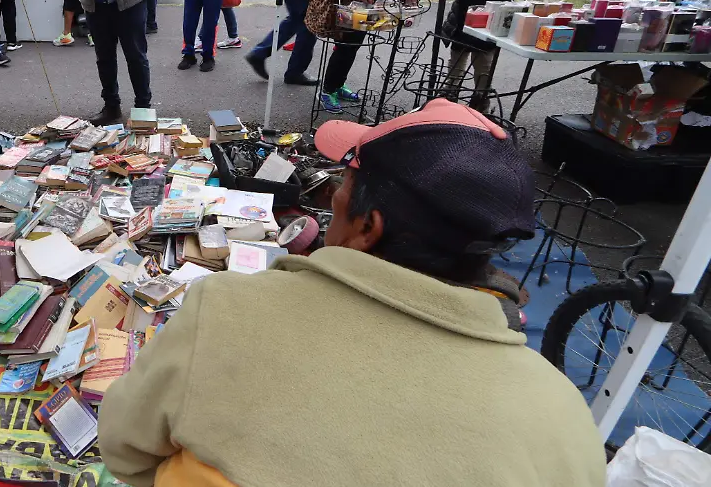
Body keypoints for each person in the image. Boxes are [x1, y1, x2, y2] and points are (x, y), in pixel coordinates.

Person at [98, 98, 607, 487]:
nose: (331, 199)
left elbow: (122, 452)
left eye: (340, 186)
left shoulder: (225, 311)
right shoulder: (562, 414)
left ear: (368, 227)